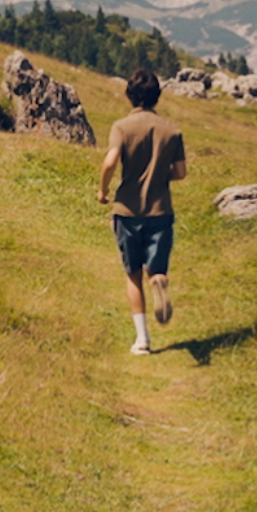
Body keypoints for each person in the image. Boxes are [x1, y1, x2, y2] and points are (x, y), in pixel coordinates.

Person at [97, 66, 187, 355]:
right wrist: (159, 175)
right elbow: (181, 172)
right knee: (153, 268)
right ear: (157, 96)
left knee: (132, 273)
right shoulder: (172, 130)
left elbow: (110, 162)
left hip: (128, 211)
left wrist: (103, 190)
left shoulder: (122, 127)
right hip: (160, 211)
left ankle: (142, 340)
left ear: (130, 96)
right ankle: (158, 279)